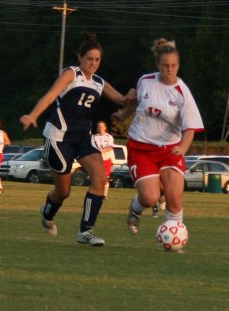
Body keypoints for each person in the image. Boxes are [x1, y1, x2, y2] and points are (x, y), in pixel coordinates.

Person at [19, 32, 133, 247]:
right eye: (89, 58)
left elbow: (122, 100)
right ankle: (47, 211)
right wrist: (33, 115)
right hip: (59, 138)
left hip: (82, 138)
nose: (93, 63)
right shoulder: (72, 73)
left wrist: (136, 94)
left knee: (100, 179)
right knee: (63, 192)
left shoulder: (99, 82)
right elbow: (51, 94)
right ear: (80, 57)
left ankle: (86, 231)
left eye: (97, 59)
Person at [114, 38, 204, 245]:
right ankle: (135, 210)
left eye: (173, 66)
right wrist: (122, 115)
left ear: (178, 66)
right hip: (141, 147)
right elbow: (136, 103)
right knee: (150, 197)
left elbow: (190, 127)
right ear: (158, 65)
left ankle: (175, 240)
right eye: (165, 66)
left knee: (174, 197)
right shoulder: (145, 81)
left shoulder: (182, 92)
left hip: (170, 150)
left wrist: (182, 148)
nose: (169, 70)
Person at [93, 120, 114, 199]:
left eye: (102, 126)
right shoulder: (95, 137)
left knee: (105, 178)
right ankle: (97, 193)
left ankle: (104, 194)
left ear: (105, 127)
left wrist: (102, 151)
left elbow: (110, 147)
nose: (100, 128)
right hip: (97, 160)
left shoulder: (109, 137)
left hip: (106, 160)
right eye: (99, 127)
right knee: (98, 177)